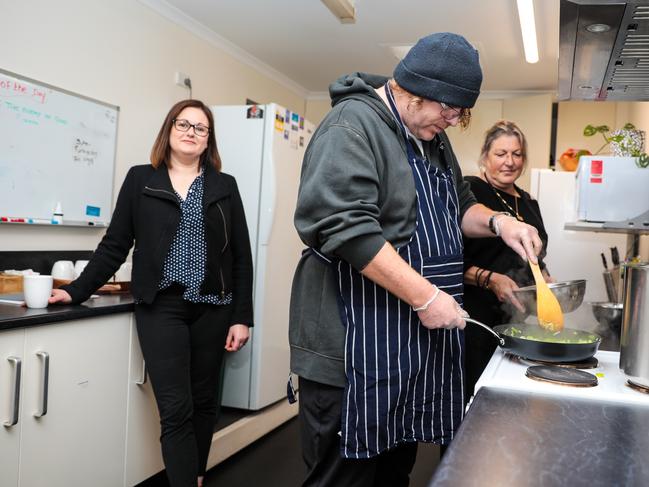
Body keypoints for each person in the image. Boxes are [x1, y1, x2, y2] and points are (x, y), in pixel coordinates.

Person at [289, 33, 543, 487]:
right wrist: (427, 298)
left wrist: (502, 224)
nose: (452, 121)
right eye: (448, 110)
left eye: (460, 114)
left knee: (392, 474)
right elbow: (346, 229)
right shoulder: (351, 126)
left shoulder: (432, 138)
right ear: (412, 92)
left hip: (405, 350)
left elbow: (460, 205)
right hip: (353, 348)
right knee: (345, 477)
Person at [49, 99, 254, 487]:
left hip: (214, 308)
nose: (191, 132)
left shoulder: (224, 186)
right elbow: (114, 245)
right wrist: (76, 291)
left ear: (209, 140)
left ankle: (195, 474)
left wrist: (242, 316)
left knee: (205, 402)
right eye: (184, 124)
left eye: (201, 128)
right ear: (169, 129)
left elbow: (240, 256)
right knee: (176, 408)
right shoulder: (142, 179)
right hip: (162, 306)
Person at [463, 120, 553, 399]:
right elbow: (449, 258)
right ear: (485, 156)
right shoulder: (472, 191)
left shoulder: (528, 201)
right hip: (475, 320)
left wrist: (545, 277)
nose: (509, 162)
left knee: (509, 401)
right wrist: (491, 279)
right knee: (474, 399)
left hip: (518, 321)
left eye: (516, 154)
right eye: (501, 154)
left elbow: (534, 253)